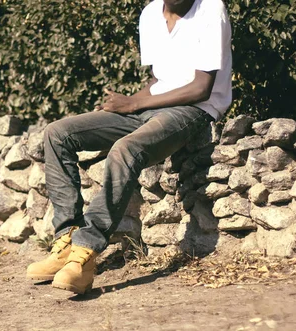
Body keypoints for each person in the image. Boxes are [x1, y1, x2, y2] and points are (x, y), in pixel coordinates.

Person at [26, 0, 232, 294]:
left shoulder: (210, 9)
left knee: (125, 149)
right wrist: (125, 105)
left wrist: (134, 103)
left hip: (193, 110)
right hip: (150, 108)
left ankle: (84, 256)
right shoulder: (150, 14)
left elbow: (201, 87)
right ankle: (67, 241)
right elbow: (161, 80)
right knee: (58, 133)